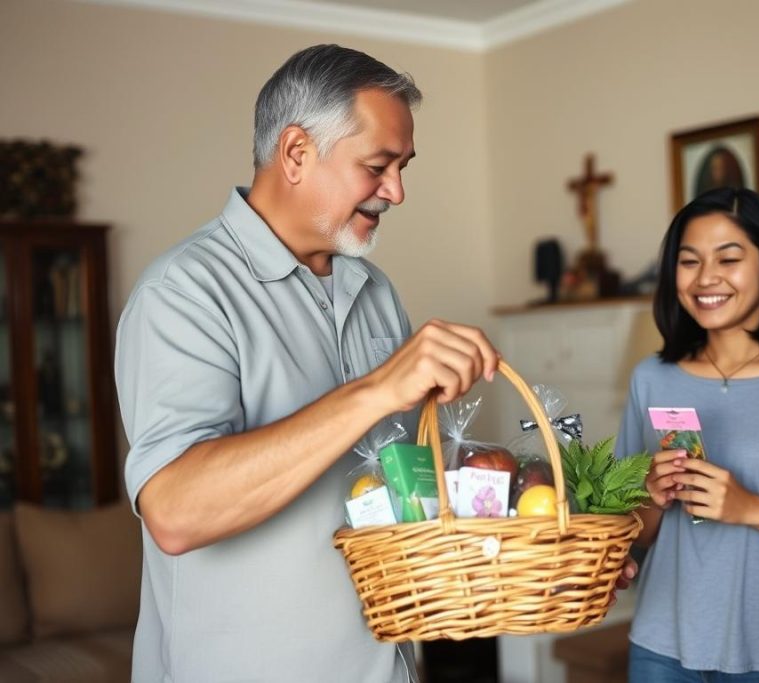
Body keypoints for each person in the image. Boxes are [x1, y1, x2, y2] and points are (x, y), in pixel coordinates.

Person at [114, 44, 505, 682]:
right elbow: (176, 512)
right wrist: (377, 389)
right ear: (296, 152)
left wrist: (534, 528)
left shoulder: (376, 291)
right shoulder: (182, 293)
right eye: (378, 165)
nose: (397, 192)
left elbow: (397, 479)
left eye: (403, 167)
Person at [615, 187, 759, 681]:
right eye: (689, 261)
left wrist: (750, 508)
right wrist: (654, 498)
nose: (706, 278)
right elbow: (626, 532)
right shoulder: (651, 379)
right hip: (661, 647)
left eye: (728, 258)